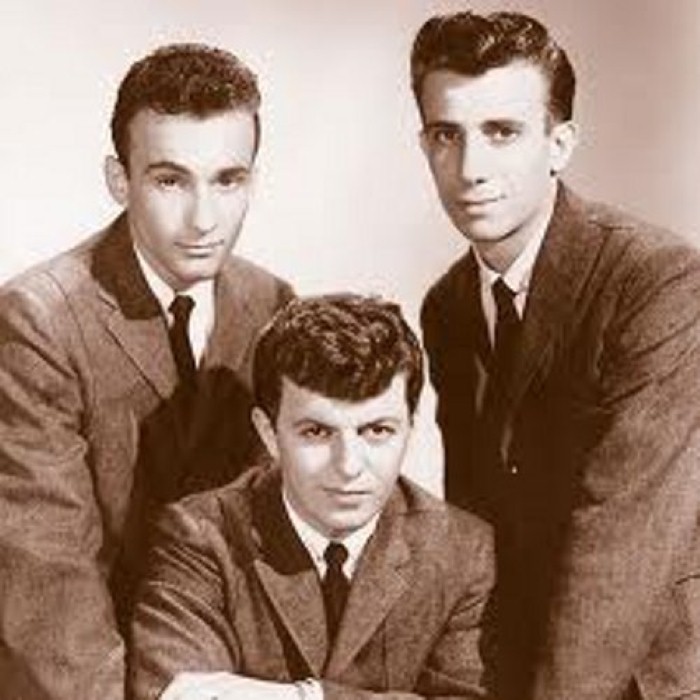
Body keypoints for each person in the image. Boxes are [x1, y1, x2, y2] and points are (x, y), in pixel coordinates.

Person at [411, 10, 700, 700]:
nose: (470, 169)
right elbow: (475, 526)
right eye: (447, 135)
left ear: (559, 143)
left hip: (649, 679)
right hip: (519, 668)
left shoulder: (655, 280)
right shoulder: (447, 306)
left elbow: (622, 541)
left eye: (502, 132)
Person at [0, 43, 293, 700]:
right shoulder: (37, 319)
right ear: (119, 178)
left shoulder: (273, 304)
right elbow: (48, 579)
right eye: (170, 180)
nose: (203, 219)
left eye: (227, 180)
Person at [129, 294, 496, 700]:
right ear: (268, 433)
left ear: (409, 428)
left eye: (377, 431)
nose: (348, 466)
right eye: (317, 432)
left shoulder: (463, 551)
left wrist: (302, 697)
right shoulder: (199, 535)